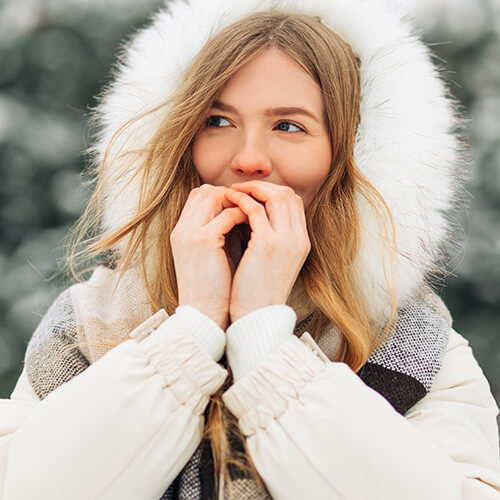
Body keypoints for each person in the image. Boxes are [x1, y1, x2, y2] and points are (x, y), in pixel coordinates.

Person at [1, 0, 499, 498]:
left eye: (289, 126)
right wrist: (191, 333)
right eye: (217, 121)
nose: (248, 159)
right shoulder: (93, 321)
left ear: (351, 158)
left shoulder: (411, 342)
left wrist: (264, 340)